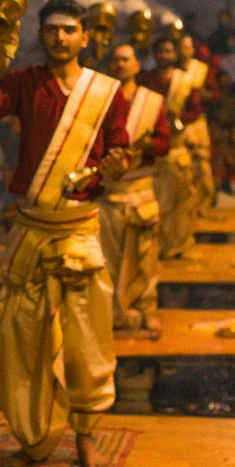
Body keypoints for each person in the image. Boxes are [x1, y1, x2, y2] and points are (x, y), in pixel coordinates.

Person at [0, 0, 129, 467]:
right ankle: (34, 438)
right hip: (31, 230)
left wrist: (117, 163)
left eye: (69, 29)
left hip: (80, 230)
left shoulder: (106, 91)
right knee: (20, 338)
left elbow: (121, 147)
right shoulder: (23, 82)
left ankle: (85, 435)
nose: (60, 37)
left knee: (86, 343)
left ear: (83, 35)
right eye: (52, 29)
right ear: (40, 34)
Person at [99, 45, 170, 338]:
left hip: (140, 190)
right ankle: (109, 314)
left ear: (137, 65)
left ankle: (142, 310)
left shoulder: (151, 102)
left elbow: (164, 143)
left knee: (143, 257)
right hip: (107, 192)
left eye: (126, 59)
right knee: (107, 260)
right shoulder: (99, 99)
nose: (120, 64)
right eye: (115, 59)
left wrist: (144, 146)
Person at [138, 38, 202, 259]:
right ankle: (157, 245)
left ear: (175, 55)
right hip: (152, 148)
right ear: (155, 54)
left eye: (168, 51)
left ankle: (178, 244)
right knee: (155, 200)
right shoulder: (146, 80)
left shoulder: (184, 81)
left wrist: (180, 120)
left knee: (179, 200)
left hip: (176, 148)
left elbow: (195, 109)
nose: (164, 55)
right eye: (161, 51)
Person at [177, 34, 219, 218]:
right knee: (184, 171)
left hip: (197, 124)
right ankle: (188, 213)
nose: (184, 51)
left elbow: (213, 93)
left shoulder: (200, 70)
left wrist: (204, 95)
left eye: (187, 47)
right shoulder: (173, 71)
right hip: (178, 126)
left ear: (192, 50)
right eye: (181, 47)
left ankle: (204, 208)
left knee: (202, 168)